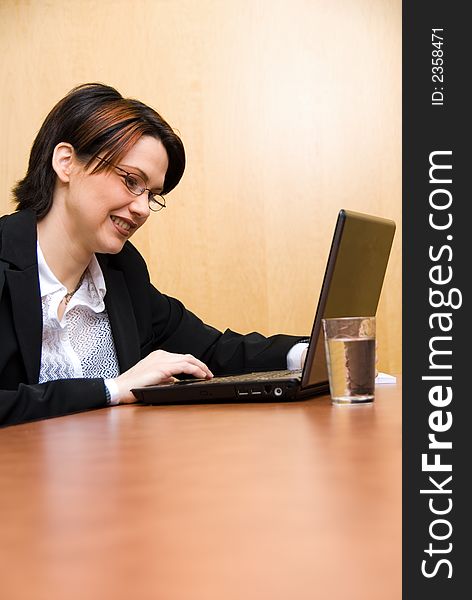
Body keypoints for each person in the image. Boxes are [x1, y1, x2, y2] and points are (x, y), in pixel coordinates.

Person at [0, 83, 307, 427]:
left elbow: (211, 350)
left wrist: (309, 354)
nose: (143, 208)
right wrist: (113, 389)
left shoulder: (122, 270)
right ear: (66, 162)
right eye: (132, 181)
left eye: (152, 194)